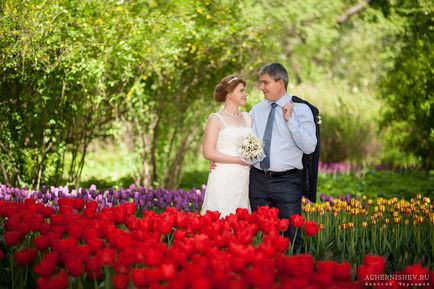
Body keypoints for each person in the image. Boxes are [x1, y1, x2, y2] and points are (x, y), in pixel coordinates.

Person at [249, 63, 317, 253]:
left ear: (280, 82)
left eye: (265, 82)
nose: (261, 87)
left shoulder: (302, 110)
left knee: (292, 237)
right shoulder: (256, 110)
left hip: (287, 182)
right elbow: (246, 143)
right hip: (258, 180)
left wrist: (291, 121)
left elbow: (310, 147)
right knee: (263, 237)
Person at [201, 75, 252, 218]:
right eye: (241, 91)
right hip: (223, 176)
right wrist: (240, 160)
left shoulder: (248, 118)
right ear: (229, 94)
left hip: (244, 178)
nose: (245, 94)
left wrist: (251, 159)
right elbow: (208, 152)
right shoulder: (216, 119)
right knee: (220, 218)